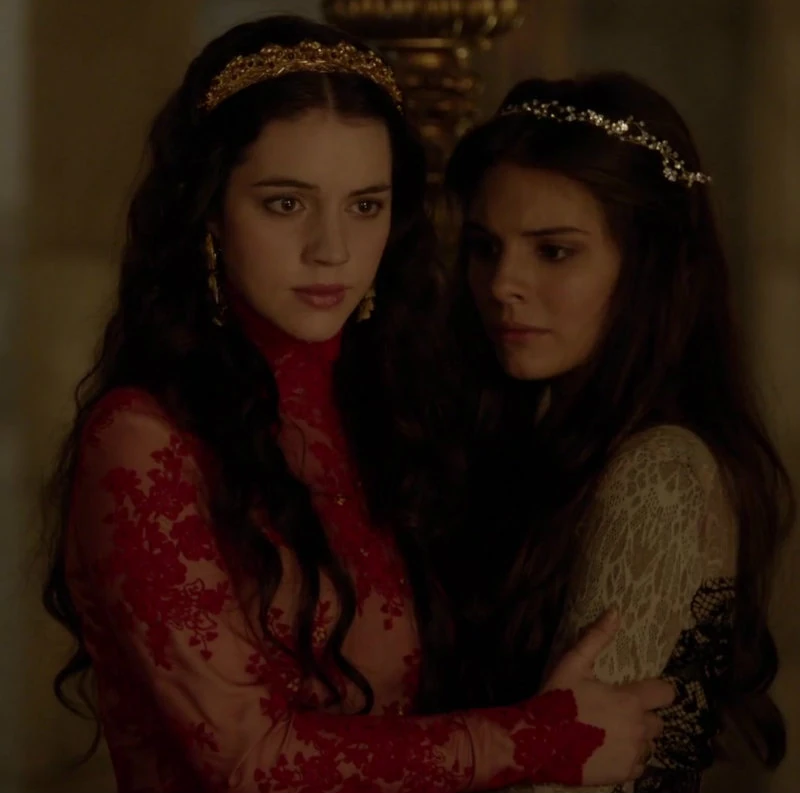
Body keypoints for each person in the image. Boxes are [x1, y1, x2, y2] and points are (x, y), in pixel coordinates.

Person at [41, 17, 672, 793]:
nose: (332, 249)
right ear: (208, 211)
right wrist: (538, 737)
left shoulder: (396, 408)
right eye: (285, 204)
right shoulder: (143, 440)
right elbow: (249, 761)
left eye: (366, 206)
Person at [443, 72, 794, 792]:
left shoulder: (659, 473)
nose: (502, 283)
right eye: (484, 247)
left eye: (554, 251)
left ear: (647, 266)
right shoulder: (533, 440)